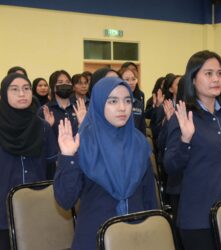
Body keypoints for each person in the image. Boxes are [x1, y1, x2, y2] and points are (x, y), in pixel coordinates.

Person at [54, 77, 157, 250]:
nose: (122, 108)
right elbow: (65, 200)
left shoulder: (139, 143)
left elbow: (149, 201)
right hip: (94, 238)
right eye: (113, 101)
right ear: (99, 103)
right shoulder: (82, 142)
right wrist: (68, 157)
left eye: (127, 101)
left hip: (136, 237)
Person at [164, 50, 221, 250]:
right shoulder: (183, 115)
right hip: (198, 217)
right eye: (208, 73)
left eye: (220, 73)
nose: (216, 79)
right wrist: (185, 139)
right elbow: (170, 166)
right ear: (193, 79)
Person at [0, 73, 57, 249]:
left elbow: (51, 170)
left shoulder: (43, 127)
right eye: (14, 89)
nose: (22, 94)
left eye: (26, 89)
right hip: (2, 211)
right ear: (3, 94)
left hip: (36, 208)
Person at [119, 67, 147, 135]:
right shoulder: (116, 104)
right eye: (127, 79)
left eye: (133, 79)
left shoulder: (139, 104)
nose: (131, 82)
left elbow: (142, 129)